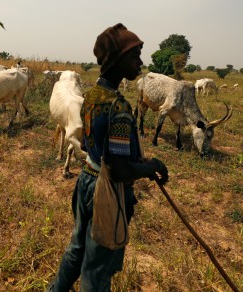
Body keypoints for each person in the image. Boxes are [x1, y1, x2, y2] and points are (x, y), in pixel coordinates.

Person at [48, 23, 169, 291]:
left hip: (86, 181)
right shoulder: (120, 108)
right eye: (134, 56)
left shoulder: (90, 97)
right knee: (97, 271)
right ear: (116, 61)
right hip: (107, 192)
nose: (140, 62)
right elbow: (119, 171)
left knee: (77, 249)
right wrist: (153, 165)